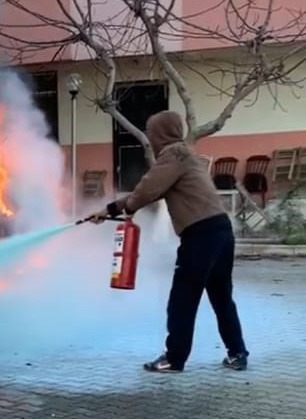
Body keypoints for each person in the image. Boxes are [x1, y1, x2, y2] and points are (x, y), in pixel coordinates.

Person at [91, 110, 249, 373]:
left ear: (159, 134)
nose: (150, 137)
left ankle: (174, 359)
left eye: (152, 132)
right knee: (222, 297)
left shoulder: (172, 155)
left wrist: (118, 207)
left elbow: (148, 189)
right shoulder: (187, 155)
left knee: (182, 299)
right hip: (221, 230)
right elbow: (153, 190)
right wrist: (111, 210)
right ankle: (237, 353)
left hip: (201, 235)